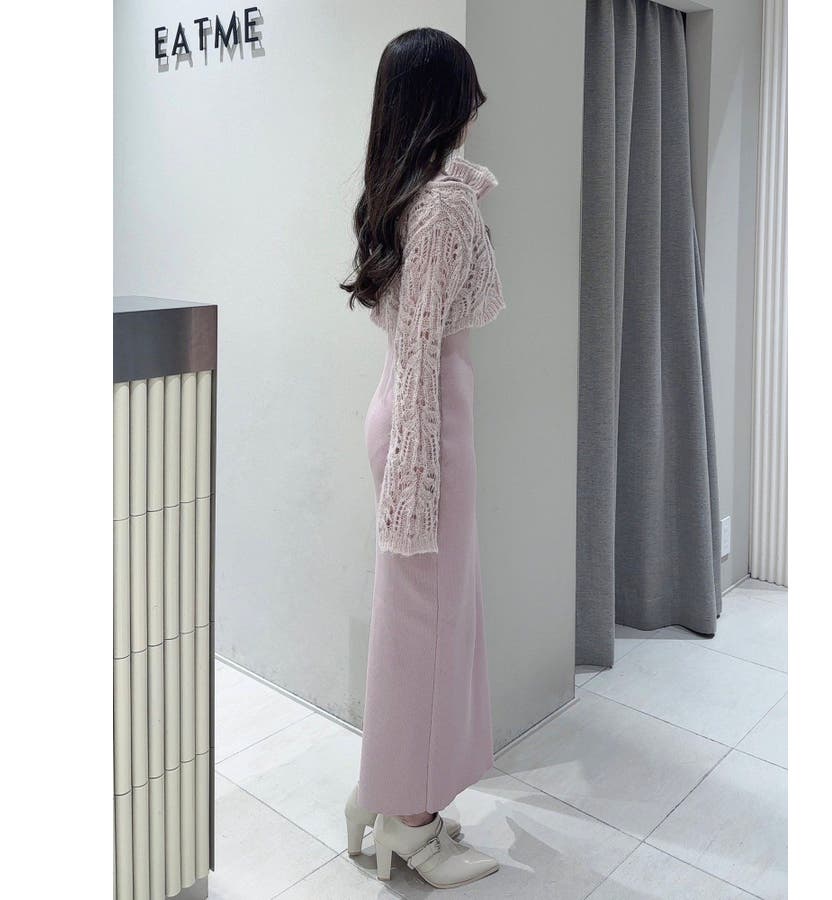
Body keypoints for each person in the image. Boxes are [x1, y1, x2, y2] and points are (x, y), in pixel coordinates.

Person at [338, 26, 506, 890]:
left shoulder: (412, 194)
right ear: (445, 99)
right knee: (429, 631)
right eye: (467, 89)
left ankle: (382, 791)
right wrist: (416, 478)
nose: (479, 105)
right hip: (425, 429)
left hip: (414, 418)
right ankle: (412, 824)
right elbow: (423, 347)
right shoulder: (441, 206)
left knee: (417, 625)